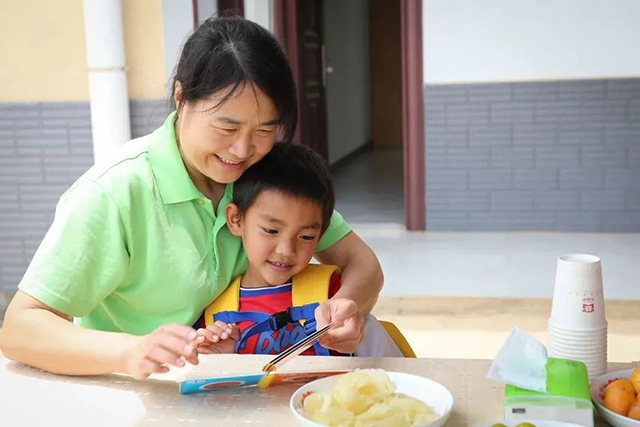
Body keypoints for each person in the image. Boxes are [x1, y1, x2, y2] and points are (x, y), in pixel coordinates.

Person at [0, 17, 383, 379]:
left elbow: (362, 263)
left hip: (230, 387)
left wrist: (347, 307)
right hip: (134, 394)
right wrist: (130, 351)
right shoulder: (118, 191)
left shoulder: (264, 175)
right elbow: (19, 328)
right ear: (181, 98)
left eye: (265, 129)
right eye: (227, 126)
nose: (242, 149)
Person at [193, 143, 402, 357]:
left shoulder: (333, 291)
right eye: (271, 230)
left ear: (322, 234)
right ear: (236, 220)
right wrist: (223, 358)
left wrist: (355, 335)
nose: (286, 250)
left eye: (306, 237)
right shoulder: (214, 318)